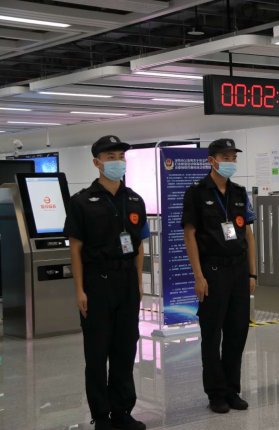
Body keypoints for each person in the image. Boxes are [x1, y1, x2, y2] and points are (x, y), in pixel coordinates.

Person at [64, 135, 148, 430]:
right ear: (97, 162)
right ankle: (101, 416)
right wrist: (79, 290)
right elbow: (75, 248)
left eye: (121, 157)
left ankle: (122, 411)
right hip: (97, 282)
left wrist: (138, 282)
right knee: (97, 354)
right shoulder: (82, 201)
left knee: (125, 350)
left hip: (126, 282)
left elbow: (139, 245)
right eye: (110, 157)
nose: (117, 162)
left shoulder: (134, 199)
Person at [181, 138, 257, 413]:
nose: (230, 162)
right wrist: (198, 275)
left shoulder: (238, 192)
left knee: (237, 332)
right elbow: (189, 235)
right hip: (212, 271)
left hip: (238, 270)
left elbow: (248, 234)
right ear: (211, 160)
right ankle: (215, 393)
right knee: (212, 334)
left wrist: (252, 273)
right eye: (225, 157)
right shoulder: (196, 193)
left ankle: (232, 389)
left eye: (233, 158)